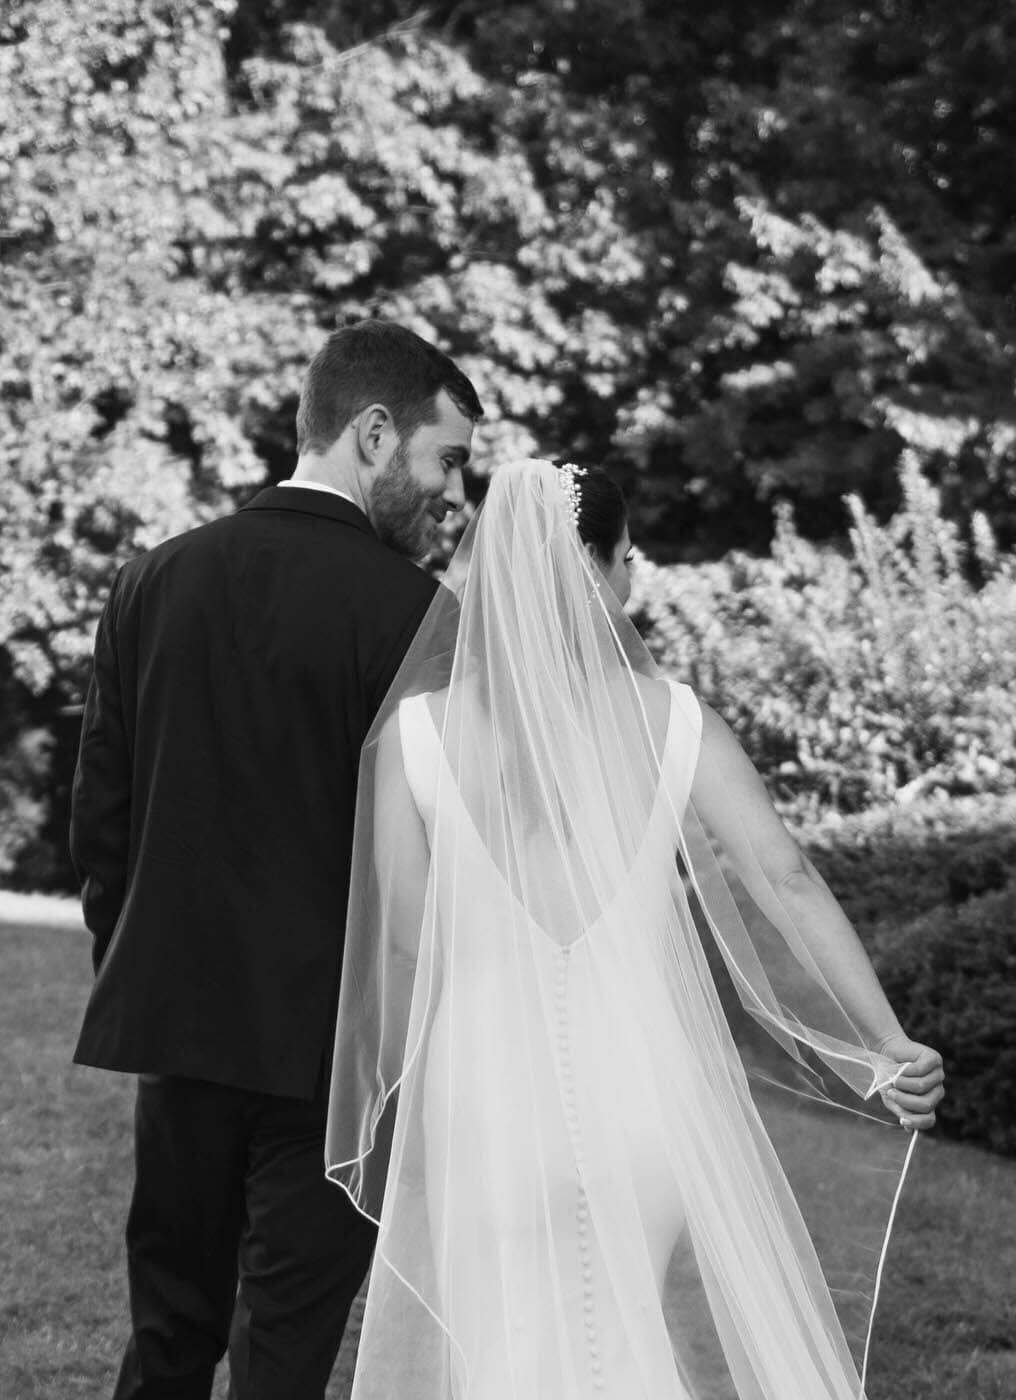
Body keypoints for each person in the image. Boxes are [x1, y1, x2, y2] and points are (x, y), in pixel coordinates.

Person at [325, 457, 945, 1400]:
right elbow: (788, 878)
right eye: (627, 558)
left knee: (505, 1348)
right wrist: (885, 1038)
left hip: (482, 1093)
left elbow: (407, 944)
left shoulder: (415, 736)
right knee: (626, 1336)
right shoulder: (678, 721)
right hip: (643, 1089)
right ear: (606, 568)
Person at [69, 320, 482, 1399]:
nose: (453, 494)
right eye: (445, 458)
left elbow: (100, 824)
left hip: (182, 1034)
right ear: (375, 432)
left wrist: (148, 970)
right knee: (282, 1358)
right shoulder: (417, 614)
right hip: (334, 1058)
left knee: (167, 1337)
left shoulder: (151, 580)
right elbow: (432, 849)